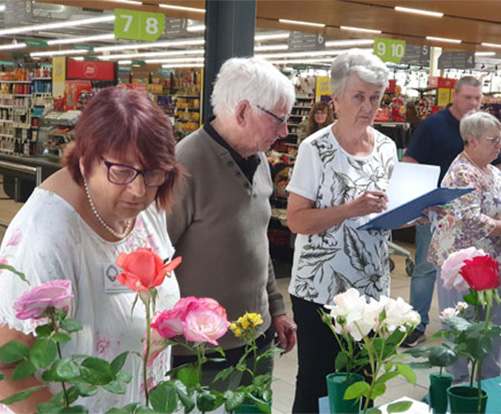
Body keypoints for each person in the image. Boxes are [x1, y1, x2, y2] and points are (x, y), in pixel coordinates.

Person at [0, 88, 182, 412]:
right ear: (86, 163)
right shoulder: (48, 237)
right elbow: (6, 365)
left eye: (153, 172)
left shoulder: (144, 206)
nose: (139, 190)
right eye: (122, 171)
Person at [167, 57, 297, 388]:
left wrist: (276, 308)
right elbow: (157, 262)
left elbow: (258, 241)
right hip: (202, 353)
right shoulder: (186, 165)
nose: (284, 132)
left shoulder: (260, 162)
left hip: (258, 338)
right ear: (242, 112)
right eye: (279, 120)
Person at [286, 49, 397, 414]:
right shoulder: (314, 149)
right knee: (318, 383)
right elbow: (297, 220)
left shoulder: (386, 147)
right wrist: (350, 209)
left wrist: (415, 214)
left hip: (371, 289)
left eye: (375, 97)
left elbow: (386, 213)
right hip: (320, 290)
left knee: (364, 379)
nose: (368, 106)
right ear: (335, 100)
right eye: (359, 97)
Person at [402, 76, 483, 347]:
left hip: (475, 215)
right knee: (426, 267)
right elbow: (410, 162)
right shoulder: (433, 126)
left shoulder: (483, 128)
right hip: (436, 212)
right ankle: (416, 324)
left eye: (478, 98)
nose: (473, 103)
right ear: (455, 97)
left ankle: (469, 321)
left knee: (472, 267)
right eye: (468, 97)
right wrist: (418, 203)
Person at [428, 110, 501, 382]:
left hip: (490, 261)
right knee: (460, 325)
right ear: (471, 140)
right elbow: (472, 219)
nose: (499, 145)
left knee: (490, 325)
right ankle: (459, 385)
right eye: (493, 140)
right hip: (459, 266)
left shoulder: (491, 170)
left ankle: (490, 381)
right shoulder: (462, 172)